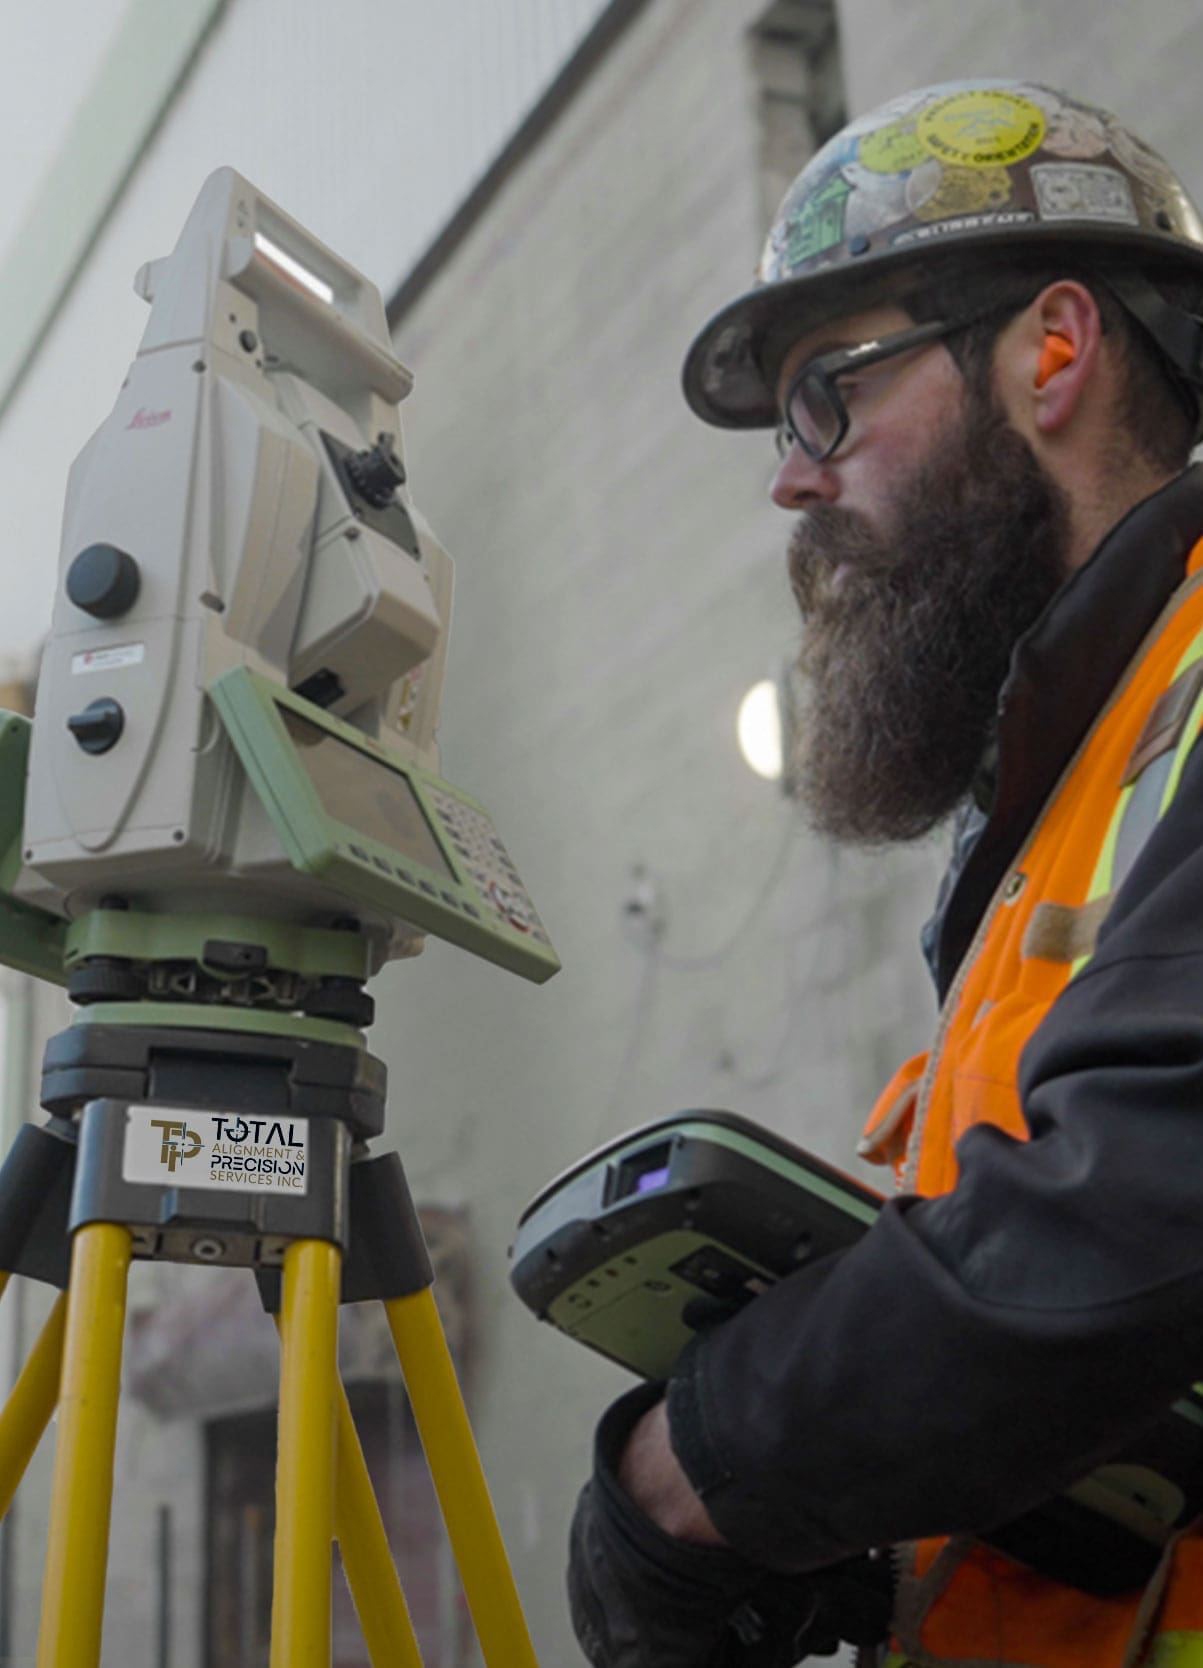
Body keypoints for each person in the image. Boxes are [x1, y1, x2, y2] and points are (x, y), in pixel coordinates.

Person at [566, 79, 1203, 1668]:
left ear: (1053, 351)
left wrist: (701, 1466)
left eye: (827, 397)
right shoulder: (1072, 781)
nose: (792, 479)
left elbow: (1137, 1212)